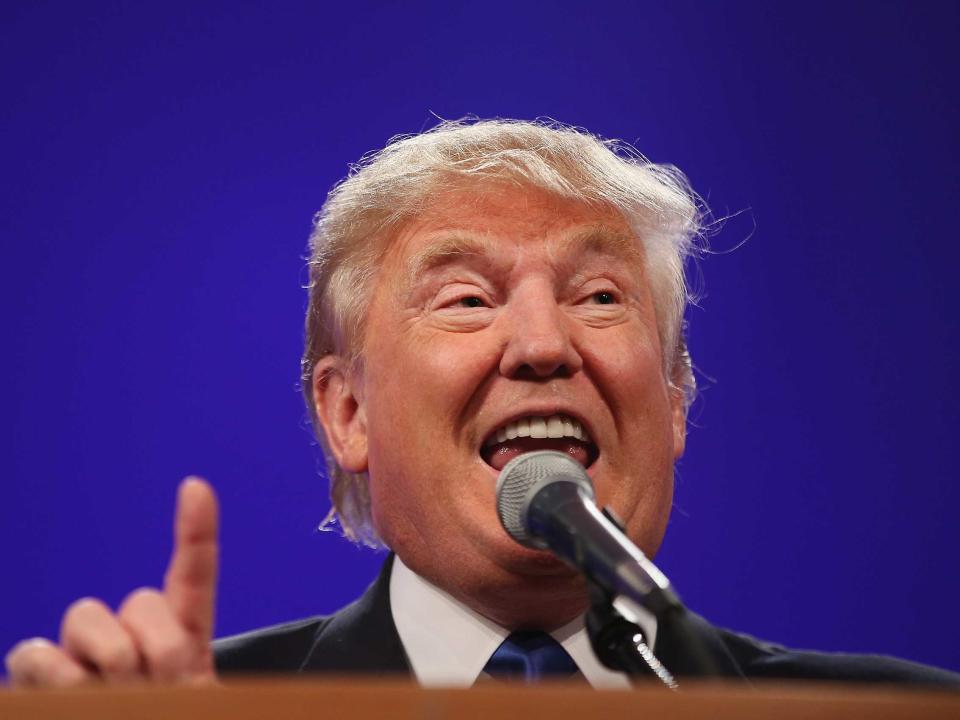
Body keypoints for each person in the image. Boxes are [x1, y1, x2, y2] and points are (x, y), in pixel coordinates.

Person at [6, 119, 959, 688]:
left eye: (600, 297)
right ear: (348, 415)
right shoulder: (216, 706)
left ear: (674, 401)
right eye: (466, 300)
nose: (545, 346)